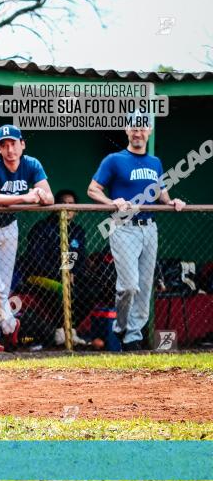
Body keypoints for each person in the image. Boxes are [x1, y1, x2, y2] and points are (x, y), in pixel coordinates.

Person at [87, 124, 185, 350]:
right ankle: (121, 328)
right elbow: (92, 189)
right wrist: (112, 202)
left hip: (149, 227)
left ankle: (134, 337)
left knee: (144, 285)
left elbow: (160, 192)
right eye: (134, 128)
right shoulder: (114, 159)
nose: (138, 133)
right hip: (123, 226)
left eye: (142, 128)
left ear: (149, 131)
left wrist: (171, 202)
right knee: (129, 286)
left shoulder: (155, 162)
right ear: (127, 131)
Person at [0, 124, 53, 351]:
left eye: (13, 143)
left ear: (22, 144)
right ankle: (10, 326)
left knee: (2, 289)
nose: (9, 149)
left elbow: (50, 197)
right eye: (4, 145)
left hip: (9, 228)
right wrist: (26, 197)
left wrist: (39, 195)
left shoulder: (32, 164)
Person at [21, 189, 90, 344]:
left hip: (67, 276)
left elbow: (81, 259)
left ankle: (71, 330)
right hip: (38, 277)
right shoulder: (42, 228)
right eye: (63, 203)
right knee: (62, 289)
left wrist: (72, 273)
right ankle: (60, 331)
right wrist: (60, 274)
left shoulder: (77, 231)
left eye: (71, 204)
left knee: (90, 289)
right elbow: (36, 261)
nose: (67, 207)